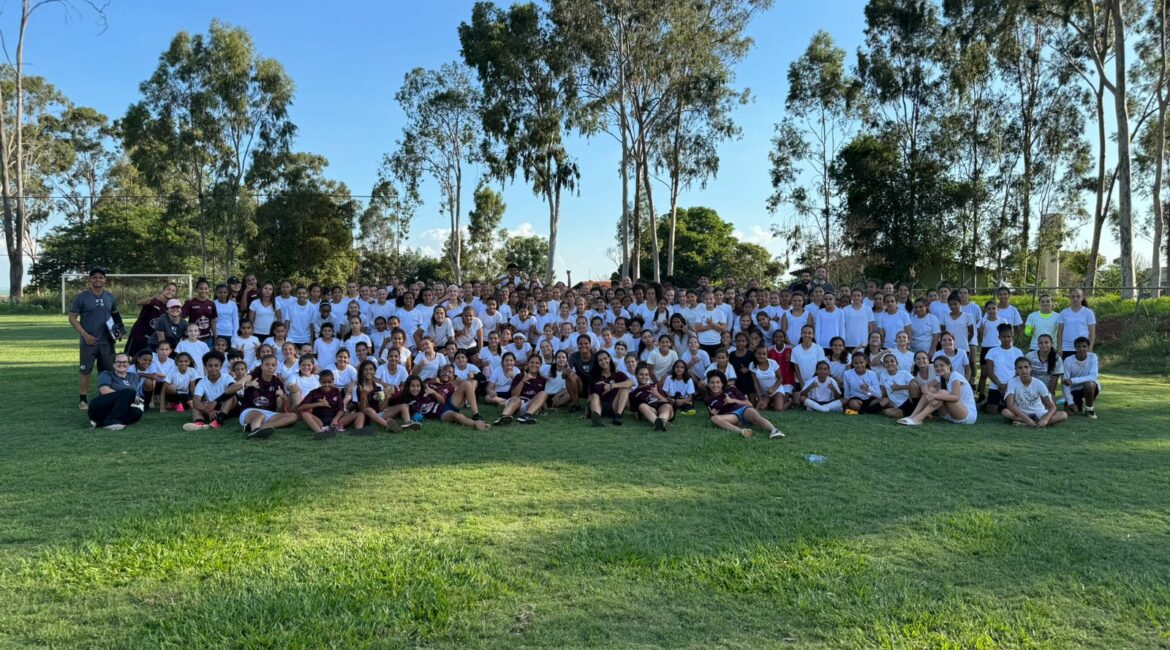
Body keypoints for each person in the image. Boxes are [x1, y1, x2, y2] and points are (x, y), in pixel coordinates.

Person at [70, 267, 124, 411]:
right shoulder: (81, 297)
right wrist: (85, 334)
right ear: (90, 280)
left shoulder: (110, 297)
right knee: (85, 370)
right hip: (89, 341)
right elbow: (72, 317)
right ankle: (83, 400)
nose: (98, 280)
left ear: (105, 280)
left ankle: (106, 396)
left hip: (107, 341)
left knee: (107, 370)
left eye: (101, 277)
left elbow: (116, 316)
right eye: (94, 277)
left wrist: (119, 330)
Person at [898, 355, 978, 426]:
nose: (938, 368)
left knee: (942, 392)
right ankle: (913, 416)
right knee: (932, 389)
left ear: (949, 365)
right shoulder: (940, 377)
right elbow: (925, 386)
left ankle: (918, 418)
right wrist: (929, 394)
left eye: (941, 365)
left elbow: (956, 397)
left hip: (966, 416)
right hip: (949, 415)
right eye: (936, 366)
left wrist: (935, 396)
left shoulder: (955, 377)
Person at [703, 370, 784, 439]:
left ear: (722, 384)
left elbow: (749, 404)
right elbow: (712, 414)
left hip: (744, 409)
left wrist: (733, 400)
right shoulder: (708, 399)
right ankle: (742, 431)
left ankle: (774, 430)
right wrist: (713, 414)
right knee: (714, 418)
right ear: (708, 384)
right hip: (732, 415)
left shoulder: (731, 389)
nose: (715, 385)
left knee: (756, 418)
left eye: (718, 382)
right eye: (712, 383)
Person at [239, 355, 299, 439]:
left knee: (293, 416)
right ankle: (255, 430)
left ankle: (258, 427)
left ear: (276, 368)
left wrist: (282, 397)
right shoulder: (253, 377)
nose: (270, 367)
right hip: (250, 411)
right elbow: (233, 387)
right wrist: (246, 384)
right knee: (260, 415)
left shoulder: (277, 382)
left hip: (270, 413)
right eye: (267, 364)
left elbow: (280, 410)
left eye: (273, 365)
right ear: (262, 366)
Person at [1001, 357, 1068, 428]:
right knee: (1005, 412)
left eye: (1026, 367)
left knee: (1063, 415)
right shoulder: (1012, 382)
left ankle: (1026, 423)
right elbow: (1010, 405)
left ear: (1031, 368)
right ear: (1016, 370)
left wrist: (1045, 419)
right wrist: (1026, 419)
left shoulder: (1038, 383)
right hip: (1021, 413)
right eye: (1020, 368)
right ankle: (1033, 423)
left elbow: (1052, 407)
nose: (1024, 370)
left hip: (1039, 413)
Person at [184, 351, 243, 430]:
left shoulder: (227, 377)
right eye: (210, 366)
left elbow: (233, 390)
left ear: (221, 366)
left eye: (216, 365)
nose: (213, 368)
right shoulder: (202, 382)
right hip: (212, 408)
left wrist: (216, 401)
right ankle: (199, 423)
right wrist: (208, 410)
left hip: (230, 409)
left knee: (231, 396)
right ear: (205, 366)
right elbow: (196, 401)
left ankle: (219, 420)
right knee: (195, 407)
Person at [86, 353, 145, 430]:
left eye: (124, 362)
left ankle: (102, 423)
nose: (121, 364)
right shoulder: (106, 374)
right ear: (113, 364)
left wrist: (138, 403)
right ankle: (112, 422)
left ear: (129, 364)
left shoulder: (133, 376)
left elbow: (136, 396)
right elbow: (104, 390)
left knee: (137, 413)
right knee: (130, 392)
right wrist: (127, 395)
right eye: (118, 362)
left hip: (119, 409)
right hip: (100, 406)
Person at [298, 370, 361, 439]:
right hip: (320, 421)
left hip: (336, 420)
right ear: (320, 381)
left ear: (333, 381)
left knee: (360, 414)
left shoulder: (336, 391)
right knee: (305, 414)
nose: (327, 385)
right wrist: (319, 404)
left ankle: (358, 432)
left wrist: (335, 419)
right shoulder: (314, 392)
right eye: (324, 382)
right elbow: (300, 407)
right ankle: (320, 433)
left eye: (329, 382)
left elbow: (341, 409)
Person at [125, 282, 177, 357]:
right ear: (163, 290)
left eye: (173, 291)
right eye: (168, 289)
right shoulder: (154, 300)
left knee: (148, 360)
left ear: (175, 294)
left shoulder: (171, 307)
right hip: (139, 334)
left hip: (153, 339)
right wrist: (153, 297)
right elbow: (138, 303)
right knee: (131, 357)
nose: (170, 292)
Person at [495, 355, 548, 425]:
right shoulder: (519, 376)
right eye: (532, 362)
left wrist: (547, 408)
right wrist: (523, 380)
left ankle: (526, 416)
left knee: (544, 393)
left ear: (540, 365)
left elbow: (541, 398)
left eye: (537, 363)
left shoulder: (542, 379)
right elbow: (514, 395)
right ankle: (503, 417)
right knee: (516, 399)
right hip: (516, 403)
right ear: (528, 364)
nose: (534, 365)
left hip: (529, 405)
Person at [984, 323, 1023, 415]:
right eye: (1004, 337)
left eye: (1008, 336)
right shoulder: (992, 351)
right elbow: (989, 371)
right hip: (996, 385)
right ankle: (996, 403)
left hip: (1013, 385)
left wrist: (1008, 385)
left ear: (1012, 336)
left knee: (1015, 409)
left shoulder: (1018, 352)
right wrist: (999, 384)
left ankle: (1003, 403)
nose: (1006, 339)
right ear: (999, 337)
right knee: (991, 411)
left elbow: (1019, 371)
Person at [587, 350, 632, 427]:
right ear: (597, 362)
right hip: (599, 406)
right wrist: (586, 411)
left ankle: (618, 417)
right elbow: (590, 396)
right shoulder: (594, 377)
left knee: (624, 388)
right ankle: (597, 418)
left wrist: (612, 386)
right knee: (594, 395)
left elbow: (631, 383)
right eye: (600, 360)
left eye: (605, 358)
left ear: (609, 358)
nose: (603, 361)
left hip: (614, 406)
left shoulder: (617, 374)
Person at [1062, 337, 1100, 419]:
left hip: (1089, 387)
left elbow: (1093, 376)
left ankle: (1089, 409)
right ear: (1074, 348)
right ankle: (1079, 404)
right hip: (1074, 390)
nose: (1081, 349)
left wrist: (1073, 380)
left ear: (1088, 347)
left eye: (1084, 346)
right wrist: (1070, 402)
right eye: (1078, 346)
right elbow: (1065, 383)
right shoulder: (1068, 361)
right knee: (1070, 412)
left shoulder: (1093, 357)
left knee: (1089, 385)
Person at [630, 364, 676, 431]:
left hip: (662, 408)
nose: (644, 377)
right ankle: (659, 422)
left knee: (667, 406)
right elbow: (635, 412)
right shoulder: (634, 393)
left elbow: (667, 401)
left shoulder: (654, 386)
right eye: (641, 374)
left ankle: (661, 421)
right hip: (650, 411)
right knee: (642, 406)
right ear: (636, 375)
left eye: (646, 374)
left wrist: (657, 394)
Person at [1058, 288, 1096, 358]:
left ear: (1082, 298)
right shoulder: (1064, 312)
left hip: (1082, 347)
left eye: (1078, 296)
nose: (1075, 299)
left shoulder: (1088, 313)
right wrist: (1060, 347)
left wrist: (1090, 348)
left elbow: (1092, 333)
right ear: (1070, 298)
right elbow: (1060, 332)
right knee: (1066, 368)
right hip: (1066, 348)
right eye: (1073, 297)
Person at [749, 345, 789, 411]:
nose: (761, 356)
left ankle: (789, 402)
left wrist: (773, 389)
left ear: (767, 354)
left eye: (764, 354)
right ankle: (771, 402)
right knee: (761, 408)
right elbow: (755, 383)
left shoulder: (773, 363)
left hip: (776, 390)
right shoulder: (752, 365)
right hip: (764, 393)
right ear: (755, 354)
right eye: (759, 354)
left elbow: (780, 378)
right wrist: (759, 399)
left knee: (778, 409)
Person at [181, 278, 218, 344]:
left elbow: (213, 322)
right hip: (194, 338)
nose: (203, 290)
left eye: (206, 288)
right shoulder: (190, 302)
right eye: (201, 288)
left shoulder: (211, 304)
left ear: (208, 289)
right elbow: (181, 318)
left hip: (208, 338)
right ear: (197, 289)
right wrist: (186, 332)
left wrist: (215, 336)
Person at [878, 354, 914, 419]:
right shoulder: (883, 375)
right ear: (883, 365)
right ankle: (905, 413)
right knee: (887, 411)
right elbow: (884, 392)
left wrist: (900, 387)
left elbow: (916, 386)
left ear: (897, 363)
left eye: (892, 361)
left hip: (907, 400)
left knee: (888, 412)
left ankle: (911, 413)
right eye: (887, 362)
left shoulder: (904, 373)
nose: (890, 363)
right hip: (894, 403)